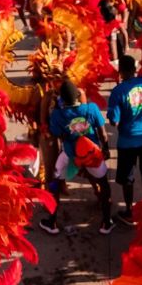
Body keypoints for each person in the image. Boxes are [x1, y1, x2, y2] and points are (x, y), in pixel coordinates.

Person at [40, 79, 113, 235]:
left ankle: (51, 222)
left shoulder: (58, 115)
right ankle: (107, 223)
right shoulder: (91, 109)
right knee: (104, 185)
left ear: (62, 100)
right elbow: (103, 133)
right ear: (77, 96)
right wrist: (105, 150)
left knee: (55, 182)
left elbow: (56, 134)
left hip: (70, 155)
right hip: (92, 155)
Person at [107, 55, 142, 225]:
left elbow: (114, 121)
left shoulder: (118, 91)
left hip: (128, 141)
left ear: (120, 72)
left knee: (127, 178)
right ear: (135, 69)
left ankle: (130, 211)